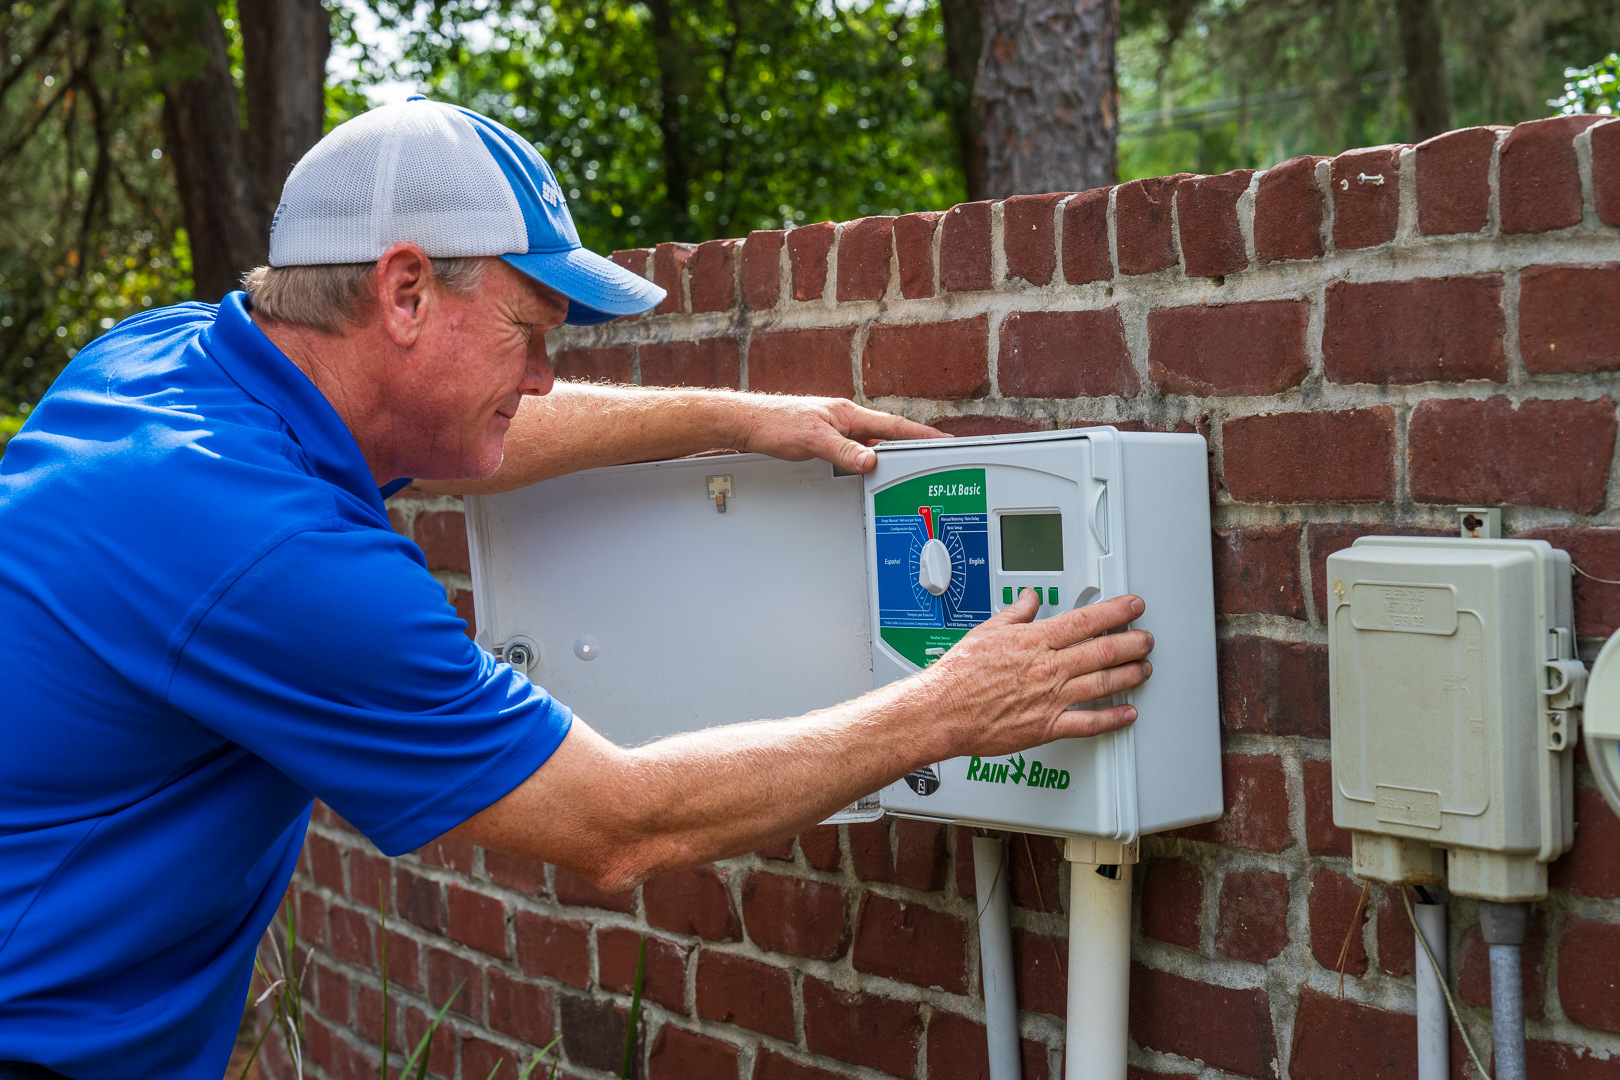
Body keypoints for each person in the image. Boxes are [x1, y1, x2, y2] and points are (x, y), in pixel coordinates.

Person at [0, 99, 1153, 1080]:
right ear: (403, 290)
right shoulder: (274, 560)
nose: (547, 376)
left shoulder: (165, 366)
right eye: (530, 330)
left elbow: (465, 433)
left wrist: (736, 419)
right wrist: (948, 709)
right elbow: (617, 824)